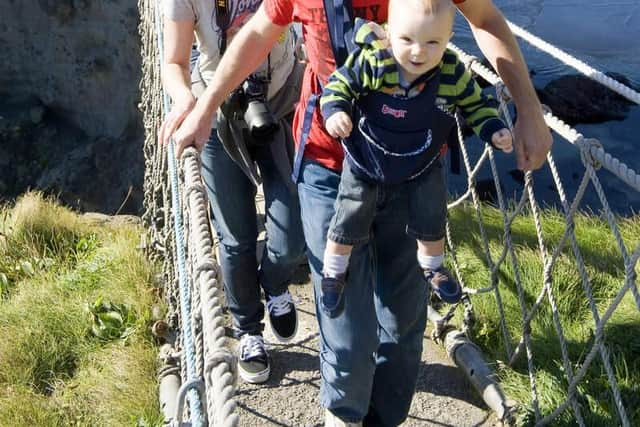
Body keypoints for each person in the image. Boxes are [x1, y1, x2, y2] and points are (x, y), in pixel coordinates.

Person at [166, 0, 553, 425]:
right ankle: (344, 418)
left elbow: (485, 17)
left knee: (404, 324)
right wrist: (204, 107)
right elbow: (261, 30)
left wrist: (529, 109)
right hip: (329, 164)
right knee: (346, 329)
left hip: (413, 164)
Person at [318, 0, 513, 317]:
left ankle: (433, 267)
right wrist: (335, 111)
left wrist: (493, 128)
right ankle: (333, 271)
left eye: (432, 42)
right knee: (350, 211)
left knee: (431, 208)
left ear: (449, 39)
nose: (418, 52)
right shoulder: (374, 61)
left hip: (421, 159)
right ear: (389, 32)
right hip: (368, 157)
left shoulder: (451, 72)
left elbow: (475, 105)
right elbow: (339, 84)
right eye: (407, 40)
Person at [158, 0, 306, 384]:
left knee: (293, 233)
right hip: (215, 111)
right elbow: (173, 61)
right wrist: (186, 100)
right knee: (235, 237)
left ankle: (274, 284)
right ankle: (248, 330)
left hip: (283, 102)